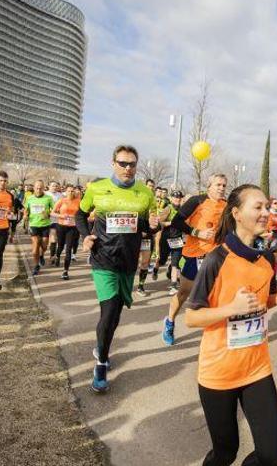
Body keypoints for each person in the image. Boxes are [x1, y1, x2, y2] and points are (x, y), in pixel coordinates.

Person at [184, 184, 277, 466]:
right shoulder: (215, 260)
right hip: (219, 373)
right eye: (257, 207)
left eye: (267, 207)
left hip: (257, 368)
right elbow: (192, 317)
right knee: (225, 452)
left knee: (270, 457)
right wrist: (230, 309)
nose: (266, 213)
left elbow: (261, 301)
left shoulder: (267, 259)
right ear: (236, 213)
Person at [75, 145, 158, 392]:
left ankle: (102, 345)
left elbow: (145, 226)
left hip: (127, 261)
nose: (127, 168)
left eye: (132, 164)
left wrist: (153, 225)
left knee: (115, 315)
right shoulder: (97, 188)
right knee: (109, 311)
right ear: (113, 163)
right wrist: (85, 236)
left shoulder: (145, 193)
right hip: (103, 259)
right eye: (122, 163)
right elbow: (80, 215)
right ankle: (101, 363)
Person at [162, 174, 228, 346]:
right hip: (195, 255)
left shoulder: (227, 206)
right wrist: (197, 233)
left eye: (224, 185)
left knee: (216, 295)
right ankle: (169, 322)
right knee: (184, 292)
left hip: (216, 256)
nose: (221, 188)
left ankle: (215, 334)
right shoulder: (197, 201)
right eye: (218, 185)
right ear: (209, 186)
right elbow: (177, 221)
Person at [24, 180, 54, 276]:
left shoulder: (48, 198)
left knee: (44, 245)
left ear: (43, 187)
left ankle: (41, 255)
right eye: (37, 188)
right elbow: (26, 209)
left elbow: (53, 210)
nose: (38, 190)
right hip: (33, 224)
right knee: (36, 244)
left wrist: (48, 213)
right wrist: (25, 215)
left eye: (40, 188)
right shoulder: (30, 198)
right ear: (34, 188)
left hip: (45, 225)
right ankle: (36, 265)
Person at [158, 190, 186, 294]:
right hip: (166, 238)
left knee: (175, 263)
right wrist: (171, 223)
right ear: (171, 198)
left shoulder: (183, 209)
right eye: (175, 198)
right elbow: (159, 222)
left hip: (177, 239)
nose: (177, 199)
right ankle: (156, 268)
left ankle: (173, 285)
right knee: (162, 261)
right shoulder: (168, 208)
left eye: (179, 198)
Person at [52, 185, 80, 280]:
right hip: (61, 226)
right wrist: (61, 216)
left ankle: (65, 271)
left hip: (72, 228)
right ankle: (57, 256)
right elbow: (52, 213)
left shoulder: (78, 202)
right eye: (69, 191)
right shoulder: (62, 200)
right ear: (66, 192)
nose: (71, 193)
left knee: (68, 249)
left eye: (72, 191)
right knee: (60, 245)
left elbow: (82, 214)